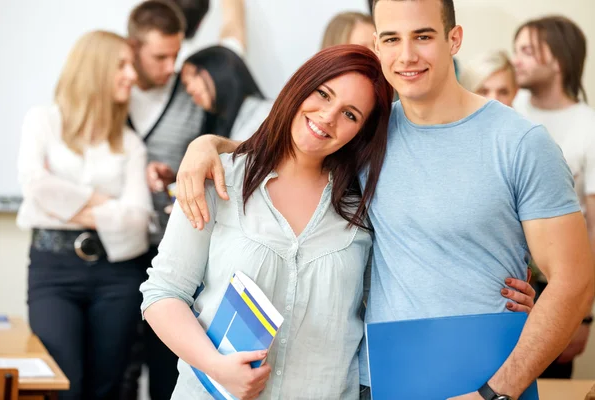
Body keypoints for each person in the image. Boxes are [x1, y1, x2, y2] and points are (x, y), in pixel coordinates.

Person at [175, 1, 594, 399]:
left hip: (484, 377)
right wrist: (208, 146)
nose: (407, 55)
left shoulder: (520, 143)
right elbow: (292, 152)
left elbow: (574, 281)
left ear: (455, 39)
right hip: (375, 381)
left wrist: (496, 392)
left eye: (424, 36)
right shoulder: (366, 134)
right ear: (377, 46)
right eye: (392, 38)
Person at [141, 44, 394, 399]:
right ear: (301, 86)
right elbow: (163, 293)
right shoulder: (219, 178)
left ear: (362, 132)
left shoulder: (366, 208)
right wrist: (215, 367)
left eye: (350, 114)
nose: (327, 116)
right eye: (323, 94)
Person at [16, 30, 151, 400]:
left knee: (106, 389)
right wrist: (105, 202)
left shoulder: (131, 144)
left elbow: (139, 220)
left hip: (118, 274)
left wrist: (62, 205)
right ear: (95, 67)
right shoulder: (42, 121)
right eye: (122, 65)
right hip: (53, 270)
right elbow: (35, 186)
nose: (132, 76)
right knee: (64, 386)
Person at [123, 1, 209, 398]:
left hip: (171, 254)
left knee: (165, 368)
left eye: (176, 55)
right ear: (133, 47)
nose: (170, 66)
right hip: (117, 254)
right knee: (117, 369)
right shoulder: (112, 91)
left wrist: (174, 174)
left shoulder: (191, 93)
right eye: (159, 56)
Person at [512, 15, 595, 379]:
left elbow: (593, 230)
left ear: (558, 59)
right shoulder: (506, 112)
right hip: (506, 284)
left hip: (556, 286)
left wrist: (583, 312)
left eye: (527, 51)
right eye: (516, 50)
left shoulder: (588, 126)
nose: (516, 60)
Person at [181, 46, 272, 142]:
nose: (189, 89)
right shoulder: (216, 126)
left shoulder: (266, 113)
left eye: (195, 74)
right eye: (186, 84)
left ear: (219, 68)